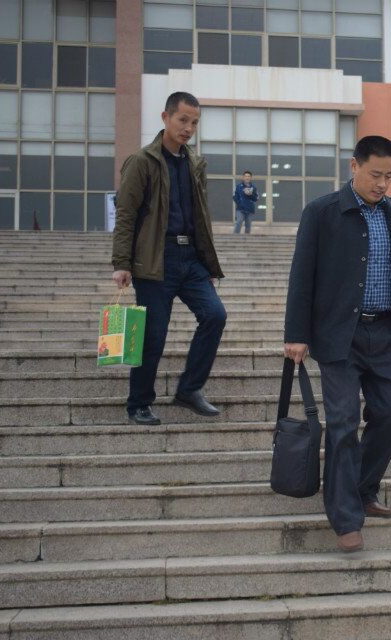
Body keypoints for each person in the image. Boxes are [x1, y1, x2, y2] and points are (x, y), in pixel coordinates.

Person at [284, 135, 391, 552]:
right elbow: (301, 276)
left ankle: (364, 488)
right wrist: (295, 334)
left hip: (386, 334)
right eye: (375, 175)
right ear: (354, 166)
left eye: (389, 176)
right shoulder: (321, 213)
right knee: (344, 421)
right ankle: (346, 517)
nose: (382, 184)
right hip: (339, 336)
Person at [111, 91, 227, 426]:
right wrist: (122, 263)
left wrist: (207, 263)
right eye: (183, 120)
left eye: (194, 123)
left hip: (190, 259)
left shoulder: (195, 164)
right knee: (153, 335)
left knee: (215, 315)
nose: (188, 128)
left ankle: (189, 390)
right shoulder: (141, 162)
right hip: (155, 259)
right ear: (165, 118)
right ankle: (139, 403)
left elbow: (200, 217)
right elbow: (126, 214)